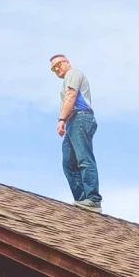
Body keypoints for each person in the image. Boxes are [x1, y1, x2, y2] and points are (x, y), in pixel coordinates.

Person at [50, 54, 102, 213]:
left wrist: (61, 119)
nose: (57, 68)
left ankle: (93, 199)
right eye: (54, 68)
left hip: (81, 118)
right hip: (72, 122)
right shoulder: (64, 83)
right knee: (68, 163)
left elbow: (71, 96)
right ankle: (82, 201)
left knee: (84, 158)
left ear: (67, 63)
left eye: (59, 64)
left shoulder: (73, 73)